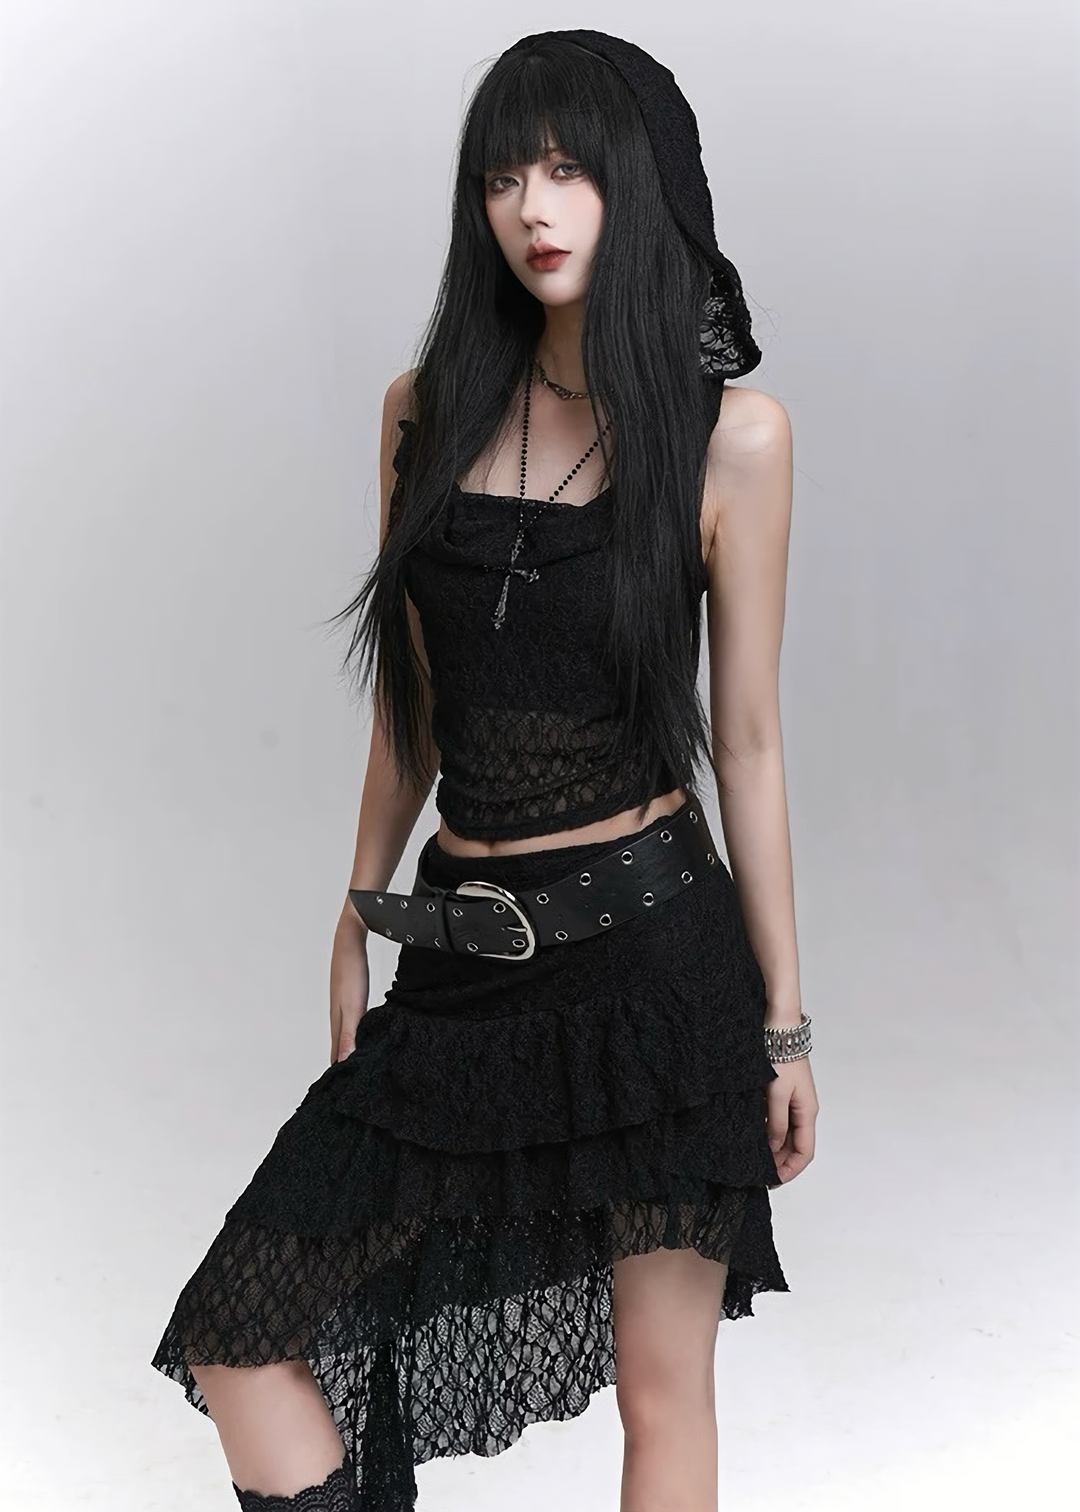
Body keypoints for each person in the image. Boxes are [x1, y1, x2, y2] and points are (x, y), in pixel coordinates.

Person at [150, 27, 818, 1512]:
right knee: (238, 1339)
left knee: (664, 1399)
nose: (534, 207)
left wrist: (784, 1024)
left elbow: (752, 743)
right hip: (460, 973)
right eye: (505, 175)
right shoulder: (424, 410)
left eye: (569, 170)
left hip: (656, 972)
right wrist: (355, 908)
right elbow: (413, 711)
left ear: (638, 186)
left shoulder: (735, 442)